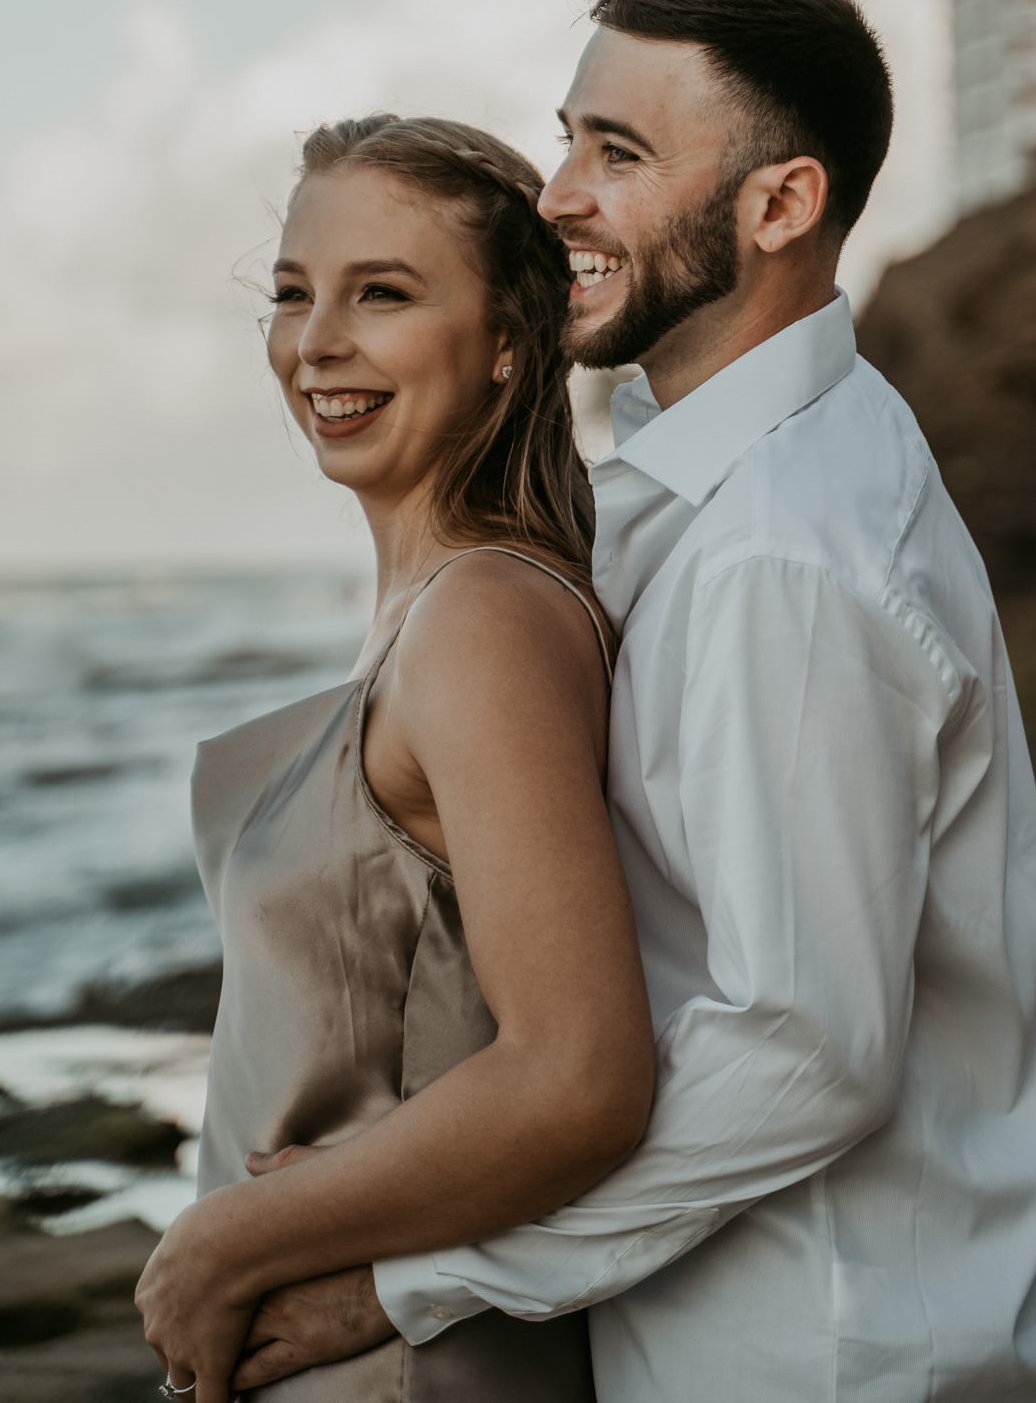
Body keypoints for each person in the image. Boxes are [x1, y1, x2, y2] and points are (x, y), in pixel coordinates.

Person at [222, 0, 1036, 1402]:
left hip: (834, 1352)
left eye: (618, 152)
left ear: (781, 205)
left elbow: (803, 1049)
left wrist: (406, 1275)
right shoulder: (761, 468)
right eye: (569, 133)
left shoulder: (784, 552)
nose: (557, 193)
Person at [134, 114, 656, 1402]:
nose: (317, 342)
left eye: (383, 292)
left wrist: (219, 1242)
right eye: (294, 293)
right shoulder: (442, 609)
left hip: (417, 1368)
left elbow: (579, 1073)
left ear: (506, 348)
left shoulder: (483, 618)